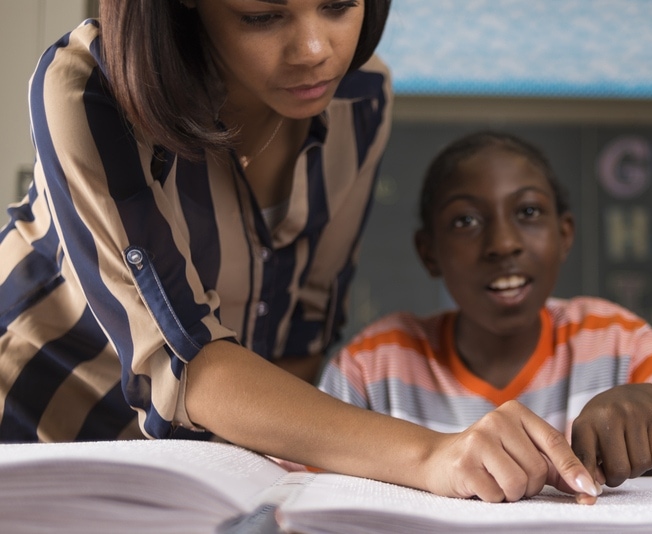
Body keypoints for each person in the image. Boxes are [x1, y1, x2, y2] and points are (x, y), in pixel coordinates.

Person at [0, 2, 601, 504]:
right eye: (263, 16)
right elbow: (186, 363)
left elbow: (302, 329)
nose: (315, 48)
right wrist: (432, 453)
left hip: (198, 474)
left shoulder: (361, 98)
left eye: (339, 4)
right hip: (30, 439)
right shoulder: (91, 86)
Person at [320, 130, 652, 496]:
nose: (503, 243)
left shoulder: (614, 341)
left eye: (527, 213)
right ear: (429, 251)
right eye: (465, 221)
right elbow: (288, 489)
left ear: (565, 234)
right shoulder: (374, 365)